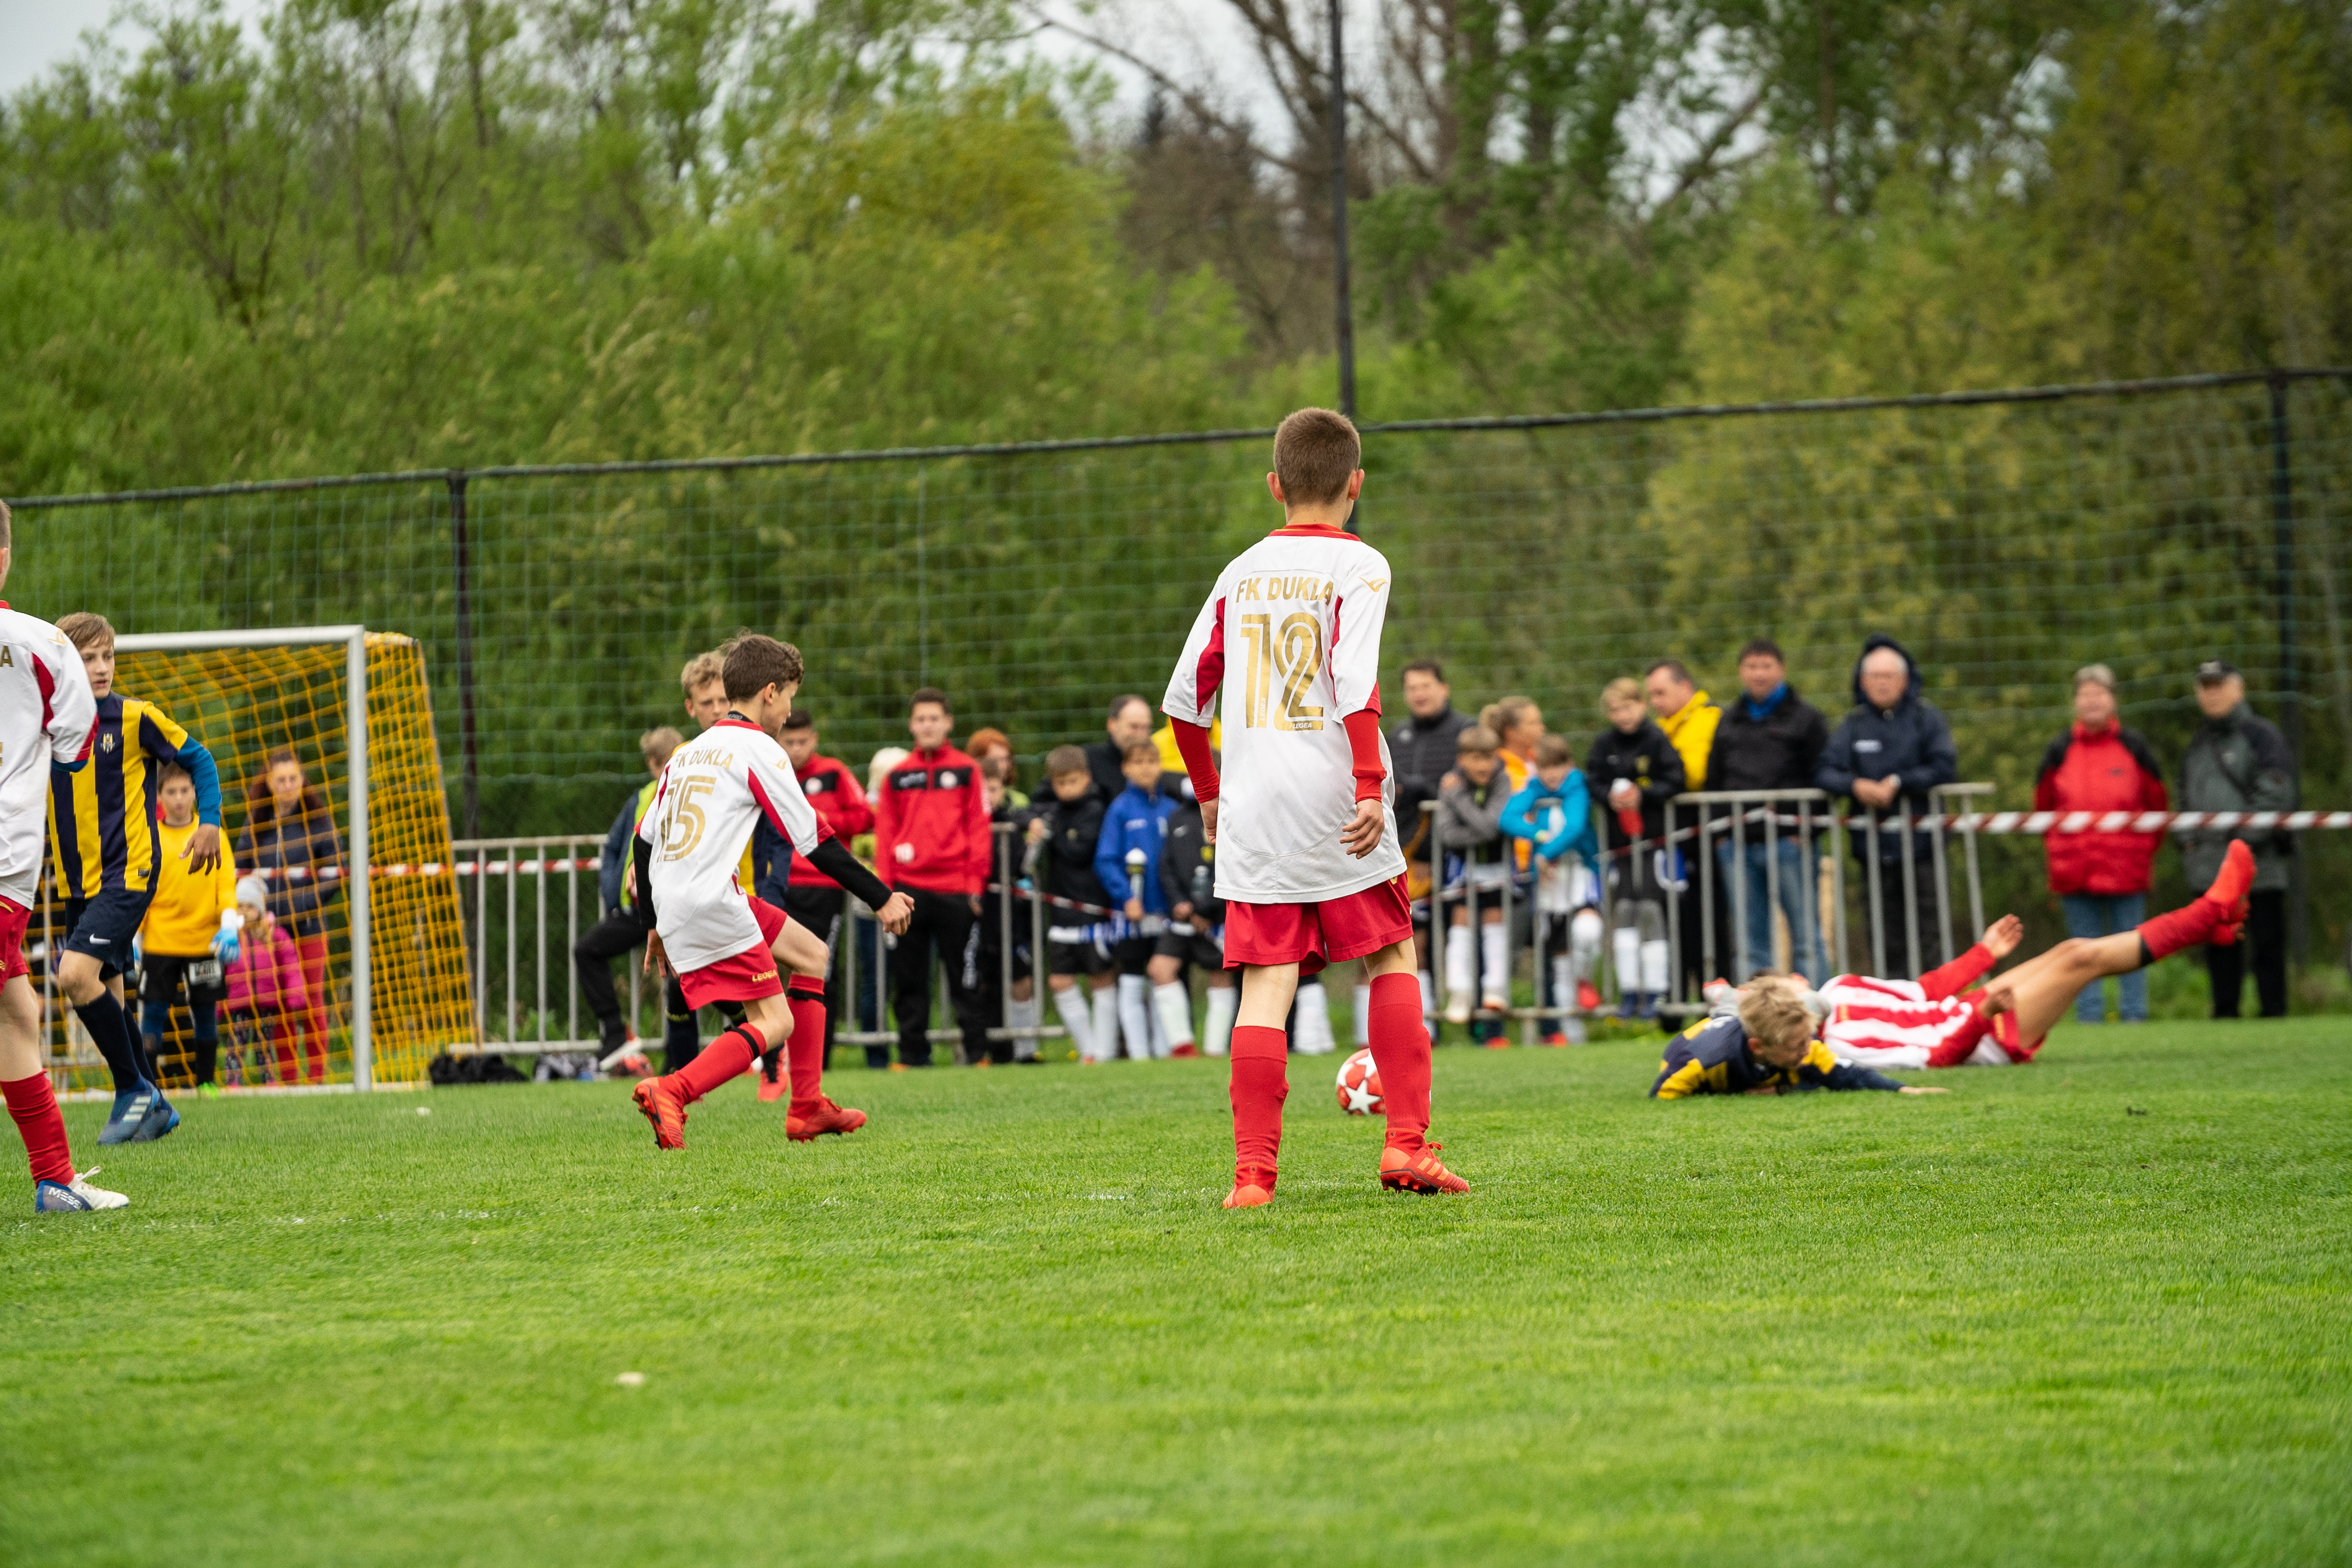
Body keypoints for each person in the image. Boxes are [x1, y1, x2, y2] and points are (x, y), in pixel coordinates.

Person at [1163, 405, 1465, 1207]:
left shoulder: (1238, 573)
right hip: (1337, 797)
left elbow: (1187, 701)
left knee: (1266, 985)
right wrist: (1368, 785)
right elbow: (1356, 683)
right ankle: (1406, 1145)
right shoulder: (1361, 564)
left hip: (1256, 804)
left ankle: (1253, 1177)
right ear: (1356, 484)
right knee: (1390, 956)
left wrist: (1209, 795)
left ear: (1275, 486)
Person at [629, 635, 911, 1151]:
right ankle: (673, 1089)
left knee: (813, 955)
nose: (788, 713)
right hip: (712, 899)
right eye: (790, 698)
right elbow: (815, 840)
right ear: (770, 692)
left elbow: (643, 842)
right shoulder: (759, 748)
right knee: (776, 1022)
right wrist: (881, 896)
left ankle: (807, 1106)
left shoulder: (688, 753)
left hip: (681, 899)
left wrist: (653, 923)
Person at [50, 611, 223, 1143]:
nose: (102, 668)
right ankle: (154, 1102)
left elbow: (200, 759)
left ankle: (132, 1090)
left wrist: (211, 821)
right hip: (77, 884)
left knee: (73, 975)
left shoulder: (135, 718)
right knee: (107, 992)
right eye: (89, 659)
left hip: (129, 874)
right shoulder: (47, 724)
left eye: (108, 656)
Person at [0, 514, 124, 1210]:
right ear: (5, 555)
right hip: (5, 861)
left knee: (17, 1012)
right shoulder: (44, 644)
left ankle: (54, 1179)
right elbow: (75, 746)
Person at [1971, 839, 2259, 1057]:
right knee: (2083, 959)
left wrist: (1982, 954)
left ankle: (2201, 928)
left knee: (2073, 948)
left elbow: (1938, 987)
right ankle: (2208, 913)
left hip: (1957, 1012)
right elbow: (1941, 1054)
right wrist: (1982, 1015)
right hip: (1969, 1035)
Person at [1715, 915, 2029, 1071]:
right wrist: (1982, 1015)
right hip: (1984, 1036)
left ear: (1800, 980)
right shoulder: (1835, 1045)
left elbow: (1924, 991)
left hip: (1969, 1007)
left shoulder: (1841, 985)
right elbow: (1934, 1057)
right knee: (2065, 960)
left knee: (2063, 955)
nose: (1791, 1007)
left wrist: (1985, 953)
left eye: (1787, 995)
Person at [1816, 636, 1959, 978]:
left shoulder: (1927, 718)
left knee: (1931, 931)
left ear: (1904, 679)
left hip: (1924, 849)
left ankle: (1939, 999)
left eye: (1888, 676)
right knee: (1885, 937)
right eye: (1875, 676)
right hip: (1874, 851)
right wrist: (1856, 786)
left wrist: (1899, 782)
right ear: (1863, 681)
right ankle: (1893, 999)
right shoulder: (1853, 724)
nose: (1881, 683)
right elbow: (1825, 771)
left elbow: (1944, 766)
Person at [2034, 664, 2167, 1025]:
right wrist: (2061, 851)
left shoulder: (2134, 747)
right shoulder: (2059, 749)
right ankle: (2088, 1017)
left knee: (2132, 946)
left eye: (2099, 693)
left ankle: (2134, 1015)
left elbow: (2158, 804)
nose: (2092, 700)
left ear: (2113, 700)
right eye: (2085, 694)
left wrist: (2141, 851)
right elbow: (2042, 808)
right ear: (2075, 702)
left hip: (2127, 868)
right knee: (2081, 951)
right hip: (2074, 870)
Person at [754, 708, 875, 1088]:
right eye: (788, 742)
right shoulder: (770, 770)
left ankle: (819, 1059)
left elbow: (864, 817)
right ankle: (773, 1058)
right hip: (779, 886)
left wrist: (814, 818)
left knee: (822, 970)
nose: (795, 748)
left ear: (814, 739)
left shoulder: (835, 773)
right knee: (769, 971)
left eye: (802, 741)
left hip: (824, 887)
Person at [874, 688, 994, 1067]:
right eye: (921, 719)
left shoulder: (968, 770)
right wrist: (884, 892)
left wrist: (975, 885)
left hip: (957, 889)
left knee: (967, 976)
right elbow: (885, 835)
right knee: (909, 979)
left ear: (948, 723)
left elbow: (979, 828)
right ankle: (912, 1056)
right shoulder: (896, 776)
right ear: (911, 725)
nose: (927, 726)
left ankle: (977, 1054)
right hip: (907, 892)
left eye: (934, 719)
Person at [2176, 660, 2296, 1019]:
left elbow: (2276, 792)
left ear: (2238, 689)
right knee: (2219, 945)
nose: (2211, 693)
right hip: (2209, 869)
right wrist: (2187, 840)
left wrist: (2241, 843)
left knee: (2267, 943)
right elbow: (2183, 796)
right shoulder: (2197, 744)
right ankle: (2225, 1015)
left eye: (2218, 685)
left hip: (2261, 866)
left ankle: (2274, 1015)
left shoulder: (2263, 736)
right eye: (2205, 686)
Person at [1705, 637, 1827, 982]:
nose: (1758, 674)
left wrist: (1806, 832)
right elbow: (1714, 781)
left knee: (1806, 938)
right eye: (1751, 666)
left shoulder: (1806, 719)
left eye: (1766, 666)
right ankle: (1756, 1011)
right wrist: (1721, 836)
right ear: (1741, 672)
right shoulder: (1728, 721)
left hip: (1790, 844)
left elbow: (1824, 778)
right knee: (1749, 942)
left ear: (1781, 670)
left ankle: (1816, 1008)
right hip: (1737, 847)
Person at [574, 725, 691, 1067]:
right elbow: (614, 847)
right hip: (638, 910)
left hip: (674, 908)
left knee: (685, 982)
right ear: (653, 765)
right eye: (664, 763)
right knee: (587, 950)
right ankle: (616, 1033)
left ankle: (751, 1035)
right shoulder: (641, 799)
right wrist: (613, 893)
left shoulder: (688, 794)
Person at [234, 746, 342, 1086]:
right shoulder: (256, 823)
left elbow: (336, 872)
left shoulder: (318, 821)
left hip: (309, 929)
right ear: (268, 782)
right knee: (278, 1004)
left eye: (293, 778)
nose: (288, 786)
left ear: (302, 780)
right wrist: (253, 910)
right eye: (280, 780)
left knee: (311, 1000)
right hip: (269, 934)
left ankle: (317, 1077)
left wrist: (306, 902)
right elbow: (240, 871)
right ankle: (289, 1079)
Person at [1650, 979, 1946, 1099]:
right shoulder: (1703, 1059)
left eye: (1808, 1039)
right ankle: (1722, 993)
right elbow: (1662, 1093)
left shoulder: (1805, 1046)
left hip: (1751, 1028)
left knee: (1820, 1005)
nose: (1808, 1050)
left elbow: (1849, 1075)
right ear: (1758, 1047)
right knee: (1730, 1010)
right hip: (1717, 1027)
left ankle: (1787, 990)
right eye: (1797, 1046)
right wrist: (1740, 1093)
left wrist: (1903, 1089)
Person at [137, 763, 241, 1096]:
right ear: (159, 797)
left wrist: (229, 925)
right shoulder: (149, 837)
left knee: (206, 1013)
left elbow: (225, 885)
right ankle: (147, 1086)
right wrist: (134, 937)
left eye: (185, 790)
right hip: (160, 942)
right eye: (171, 792)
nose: (179, 798)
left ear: (196, 793)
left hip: (204, 942)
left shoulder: (213, 833)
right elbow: (140, 891)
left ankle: (206, 1083)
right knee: (153, 1013)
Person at [1585, 677, 1685, 1021]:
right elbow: (1593, 780)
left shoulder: (1656, 740)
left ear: (1641, 706)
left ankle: (1656, 990)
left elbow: (1676, 779)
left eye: (1628, 707)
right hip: (1619, 848)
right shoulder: (1604, 744)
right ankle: (1630, 991)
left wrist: (1645, 794)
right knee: (1625, 910)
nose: (1623, 716)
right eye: (1615, 710)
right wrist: (1608, 797)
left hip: (1653, 844)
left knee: (1652, 911)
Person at [1500, 733, 1601, 1045]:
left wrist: (1546, 853)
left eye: (1557, 766)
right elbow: (1508, 818)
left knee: (1586, 932)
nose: (1551, 774)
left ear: (1569, 764)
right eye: (1545, 767)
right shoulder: (1535, 787)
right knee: (1559, 956)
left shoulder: (1577, 786)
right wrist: (1539, 835)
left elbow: (1574, 826)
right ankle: (1570, 1033)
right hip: (1548, 884)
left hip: (1580, 874)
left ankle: (1585, 979)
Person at [1029, 745, 1119, 1061]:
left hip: (1093, 910)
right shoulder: (1053, 807)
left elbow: (1078, 852)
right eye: (1059, 782)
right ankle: (1089, 1051)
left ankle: (1104, 1053)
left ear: (1086, 777)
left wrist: (1050, 831)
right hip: (1061, 913)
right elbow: (1031, 806)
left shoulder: (1096, 809)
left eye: (1072, 781)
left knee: (1101, 979)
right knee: (1060, 981)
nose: (1066, 788)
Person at [1095, 741, 1180, 1059]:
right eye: (1138, 762)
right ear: (1126, 768)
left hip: (1167, 913)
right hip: (1132, 913)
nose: (1146, 768)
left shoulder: (1171, 809)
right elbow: (1106, 860)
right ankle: (1138, 1053)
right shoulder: (1119, 810)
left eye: (1151, 761)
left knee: (1164, 978)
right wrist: (1126, 897)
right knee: (1131, 978)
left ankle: (1163, 1050)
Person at [1646, 658, 1723, 1000]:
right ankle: (1676, 1002)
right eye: (1651, 695)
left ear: (1685, 688)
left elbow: (1692, 773)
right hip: (1669, 837)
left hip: (1706, 834)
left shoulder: (1709, 718)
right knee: (1675, 921)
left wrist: (1652, 783)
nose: (1655, 702)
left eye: (1661, 693)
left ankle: (1716, 999)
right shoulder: (1658, 729)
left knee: (1711, 922)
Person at [1434, 724, 1514, 1036]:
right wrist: (1480, 827)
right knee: (1461, 928)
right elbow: (1448, 834)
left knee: (1495, 924)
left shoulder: (1503, 781)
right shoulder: (1450, 782)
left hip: (1497, 866)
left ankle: (1495, 990)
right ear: (1462, 759)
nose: (1484, 766)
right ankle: (1460, 992)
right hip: (1462, 870)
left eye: (1489, 758)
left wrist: (1458, 800)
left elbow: (1494, 826)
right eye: (1476, 758)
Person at [1155, 761, 1235, 1057]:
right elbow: (1166, 867)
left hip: (1214, 919)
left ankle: (1215, 1049)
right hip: (1181, 917)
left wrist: (1206, 909)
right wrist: (1179, 903)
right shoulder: (1176, 816)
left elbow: (1232, 866)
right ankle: (1182, 1046)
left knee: (1220, 976)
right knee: (1160, 969)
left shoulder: (1230, 815)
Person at [976, 755, 1043, 1061]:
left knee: (1021, 979)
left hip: (1010, 916)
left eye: (993, 789)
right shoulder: (964, 825)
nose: (987, 796)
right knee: (979, 982)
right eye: (981, 790)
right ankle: (981, 1052)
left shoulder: (1013, 822)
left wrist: (1032, 836)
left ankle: (1026, 1051)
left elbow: (1022, 867)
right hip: (975, 915)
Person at [222, 874, 308, 1085]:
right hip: (239, 1002)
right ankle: (233, 1081)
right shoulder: (232, 937)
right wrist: (217, 1002)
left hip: (267, 1001)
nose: (244, 911)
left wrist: (295, 993)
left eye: (249, 906)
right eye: (240, 906)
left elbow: (290, 964)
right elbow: (221, 971)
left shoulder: (275, 935)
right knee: (236, 1045)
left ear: (260, 908)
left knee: (264, 1045)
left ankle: (268, 1080)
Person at [1389, 660, 1472, 791]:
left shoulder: (1467, 730)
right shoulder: (1396, 736)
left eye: (1426, 686)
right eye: (1412, 688)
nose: (1419, 694)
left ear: (1444, 689)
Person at [1086, 696, 1181, 803]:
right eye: (1134, 727)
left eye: (1145, 727)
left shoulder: (1160, 761)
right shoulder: (1088, 761)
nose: (1140, 734)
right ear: (1112, 724)